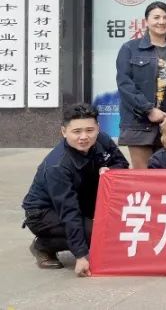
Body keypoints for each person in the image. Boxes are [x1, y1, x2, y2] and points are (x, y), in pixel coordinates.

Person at [22, 104, 129, 275]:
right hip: (43, 212)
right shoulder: (57, 166)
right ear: (64, 132)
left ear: (98, 128)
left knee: (118, 228)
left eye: (89, 130)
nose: (84, 137)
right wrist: (81, 256)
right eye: (76, 131)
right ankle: (42, 245)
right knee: (99, 234)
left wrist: (110, 171)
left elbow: (121, 164)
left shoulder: (102, 139)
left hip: (81, 198)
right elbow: (69, 212)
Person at [116, 1, 166, 169]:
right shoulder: (130, 48)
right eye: (156, 17)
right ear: (146, 21)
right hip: (138, 122)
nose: (161, 21)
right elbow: (125, 84)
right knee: (143, 175)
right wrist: (149, 110)